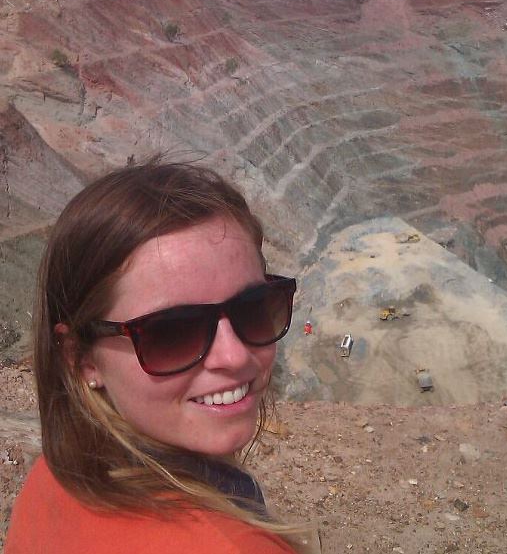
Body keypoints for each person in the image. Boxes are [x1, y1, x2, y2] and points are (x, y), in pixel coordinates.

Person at [6, 159, 317, 553]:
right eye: (172, 332)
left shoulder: (55, 480)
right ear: (81, 357)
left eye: (253, 308)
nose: (235, 356)